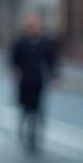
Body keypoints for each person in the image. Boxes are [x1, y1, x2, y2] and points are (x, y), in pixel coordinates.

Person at [9, 14, 58, 153]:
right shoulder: (21, 42)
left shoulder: (45, 43)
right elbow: (13, 59)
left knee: (38, 110)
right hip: (24, 82)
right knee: (25, 109)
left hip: (38, 81)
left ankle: (34, 137)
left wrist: (55, 77)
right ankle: (21, 132)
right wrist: (16, 71)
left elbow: (52, 61)